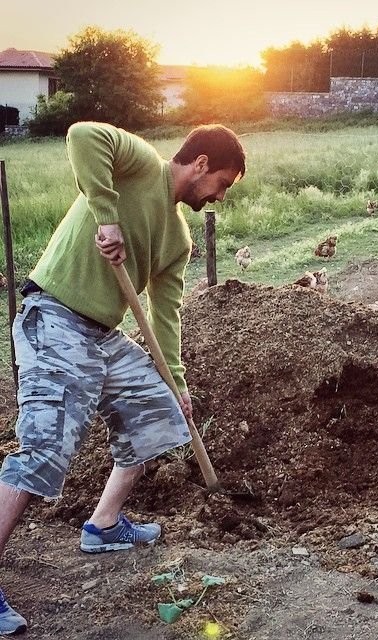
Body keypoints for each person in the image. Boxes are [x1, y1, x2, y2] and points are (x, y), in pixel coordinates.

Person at [0, 121, 246, 635]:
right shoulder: (140, 164)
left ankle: (104, 524)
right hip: (56, 316)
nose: (219, 195)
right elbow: (82, 135)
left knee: (157, 412)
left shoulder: (177, 238)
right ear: (199, 163)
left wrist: (176, 381)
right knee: (45, 448)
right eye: (221, 182)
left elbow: (165, 315)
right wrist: (106, 218)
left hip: (102, 335)